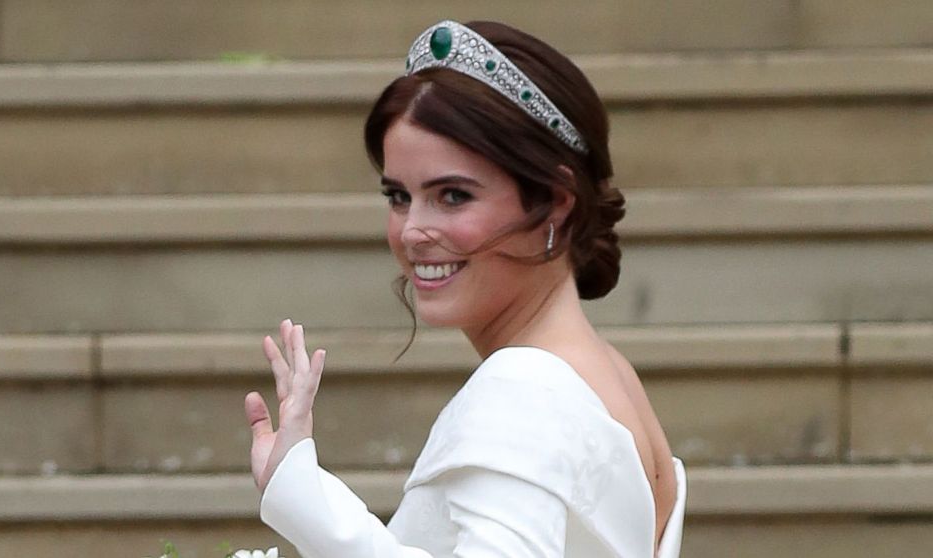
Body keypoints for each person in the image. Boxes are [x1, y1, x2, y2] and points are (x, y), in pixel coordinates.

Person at [243, 19, 686, 558]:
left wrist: (309, 505)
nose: (411, 232)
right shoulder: (604, 374)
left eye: (452, 196)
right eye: (399, 196)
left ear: (557, 200)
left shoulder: (523, 390)